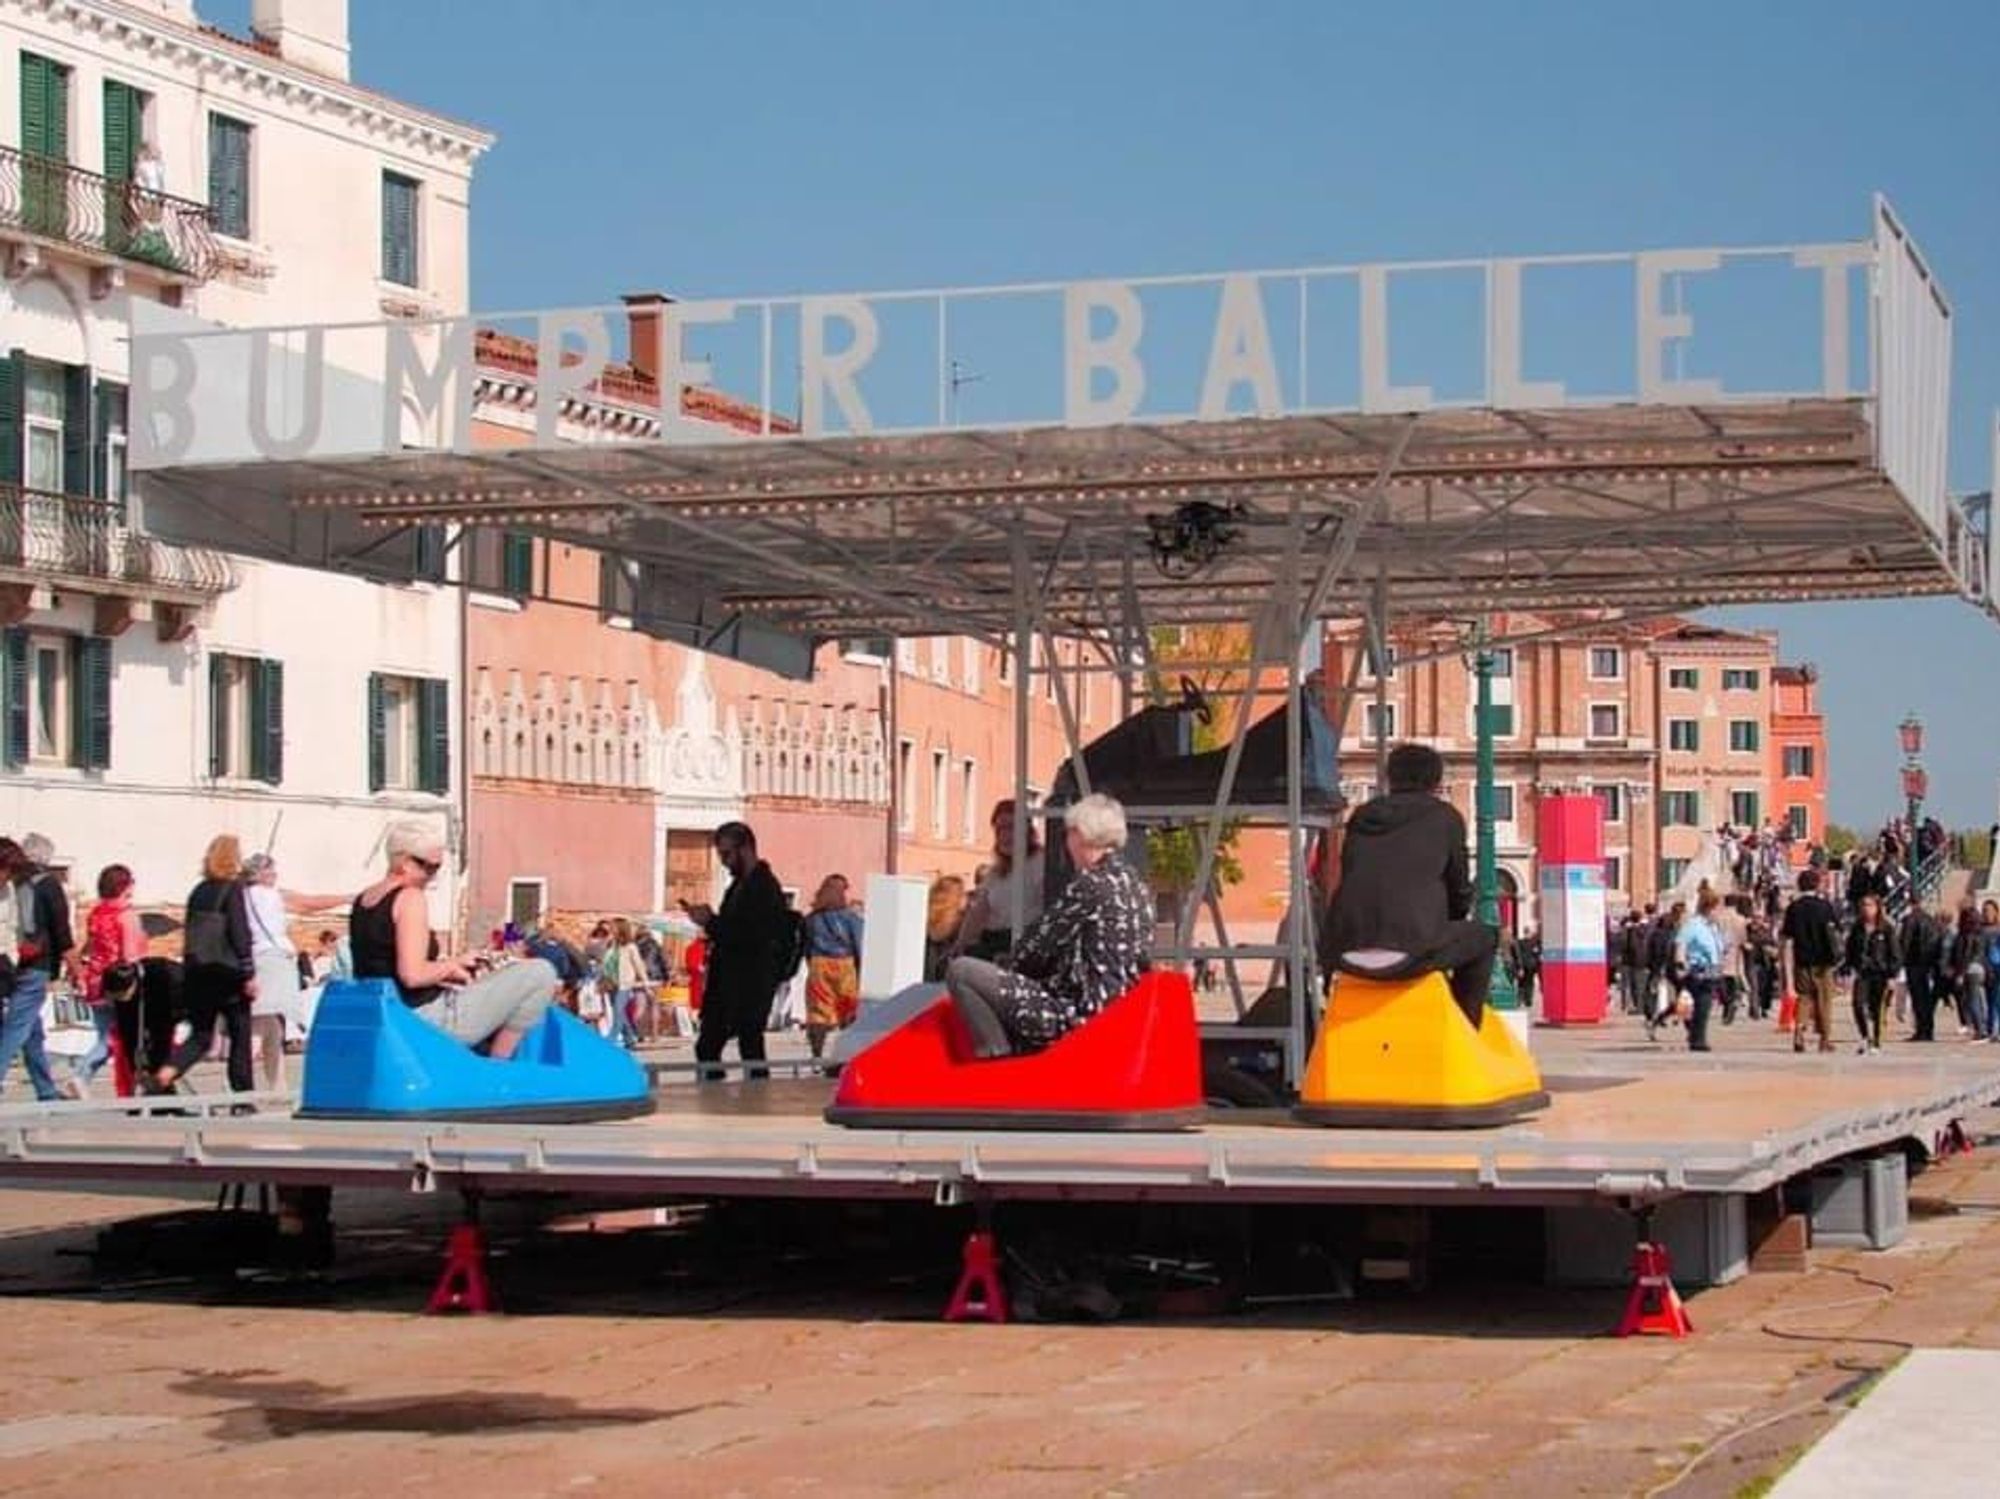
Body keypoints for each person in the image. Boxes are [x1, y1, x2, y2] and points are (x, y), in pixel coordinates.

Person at [944, 794, 1152, 1058]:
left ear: (1080, 835)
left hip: (1079, 1014)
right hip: (1117, 1009)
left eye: (1068, 834)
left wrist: (1005, 966)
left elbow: (1034, 949)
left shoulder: (1090, 885)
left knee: (962, 972)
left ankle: (996, 1063)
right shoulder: (1135, 884)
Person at [1317, 743, 1496, 1026]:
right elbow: (1459, 889)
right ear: (1436, 782)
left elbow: (1351, 872)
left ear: (1390, 777)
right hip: (1410, 950)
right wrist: (1447, 920)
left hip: (1345, 948)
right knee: (1486, 938)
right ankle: (1465, 1026)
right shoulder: (1445, 817)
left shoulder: (1361, 816)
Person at [349, 821, 556, 1056]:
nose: (433, 878)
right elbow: (412, 975)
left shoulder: (363, 900)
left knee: (478, 983)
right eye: (430, 868)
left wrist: (446, 974)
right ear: (405, 861)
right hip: (424, 1019)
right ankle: (498, 1067)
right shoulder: (410, 898)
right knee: (541, 973)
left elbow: (385, 970)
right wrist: (455, 963)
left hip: (387, 1012)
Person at [153, 835, 258, 1099]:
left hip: (198, 971)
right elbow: (239, 932)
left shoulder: (198, 891)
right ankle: (242, 1095)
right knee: (239, 1034)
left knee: (201, 1035)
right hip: (228, 972)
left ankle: (167, 1072)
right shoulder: (231, 889)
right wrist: (249, 972)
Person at [683, 822, 788, 1081]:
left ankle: (754, 1102)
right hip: (728, 978)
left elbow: (750, 935)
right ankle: (719, 1099)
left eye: (727, 854)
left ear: (746, 849)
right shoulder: (739, 886)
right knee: (710, 1045)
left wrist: (711, 922)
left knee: (749, 1044)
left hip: (750, 979)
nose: (724, 862)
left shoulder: (763, 887)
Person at [1, 835, 74, 1103]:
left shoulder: (13, 883)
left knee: (31, 1031)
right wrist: (74, 966)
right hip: (35, 964)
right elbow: (62, 933)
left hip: (12, 963)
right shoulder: (47, 884)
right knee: (17, 1027)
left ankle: (46, 1091)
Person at [74, 864, 147, 1097]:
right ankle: (81, 1074)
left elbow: (89, 947)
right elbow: (130, 955)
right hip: (120, 983)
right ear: (125, 886)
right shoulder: (127, 916)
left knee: (106, 1032)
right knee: (116, 1036)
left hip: (96, 980)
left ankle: (86, 1078)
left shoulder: (97, 913)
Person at [954, 800, 1044, 961]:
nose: (1004, 835)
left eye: (1010, 827)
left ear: (1026, 829)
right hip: (993, 941)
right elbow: (978, 911)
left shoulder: (1041, 862)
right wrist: (960, 943)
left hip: (1024, 943)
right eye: (999, 829)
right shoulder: (996, 872)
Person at [802, 875, 865, 1059]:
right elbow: (859, 945)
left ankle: (816, 1052)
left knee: (818, 1011)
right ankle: (847, 1052)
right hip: (845, 965)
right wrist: (860, 971)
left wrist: (812, 964)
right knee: (847, 1009)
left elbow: (806, 945)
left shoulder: (812, 919)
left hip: (818, 964)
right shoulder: (851, 918)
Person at [1780, 868, 1842, 1054]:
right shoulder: (1825, 906)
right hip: (1824, 961)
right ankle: (1825, 1039)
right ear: (1816, 884)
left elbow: (1787, 936)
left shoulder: (1794, 907)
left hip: (1802, 960)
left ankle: (1799, 1032)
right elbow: (1835, 930)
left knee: (1804, 998)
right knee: (1824, 1000)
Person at [1844, 892, 1901, 1054]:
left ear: (1877, 908)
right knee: (1858, 1004)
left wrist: (1892, 975)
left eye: (1869, 905)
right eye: (1863, 905)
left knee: (1877, 1009)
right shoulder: (1857, 927)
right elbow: (1851, 949)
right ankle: (1864, 1035)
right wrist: (1848, 968)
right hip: (1862, 973)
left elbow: (1895, 953)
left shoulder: (1886, 928)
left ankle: (1876, 1041)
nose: (1866, 909)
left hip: (1881, 973)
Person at [1674, 890, 1725, 1052]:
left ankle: (1696, 1035)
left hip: (1712, 971)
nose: (1719, 913)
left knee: (1704, 1005)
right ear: (1709, 908)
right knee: (1703, 1004)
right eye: (1717, 909)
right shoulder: (1693, 925)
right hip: (1697, 970)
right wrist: (1680, 963)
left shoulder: (1712, 927)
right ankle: (1698, 1039)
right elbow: (1681, 943)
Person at [1899, 903, 1946, 1042]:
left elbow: (1905, 942)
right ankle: (1927, 1030)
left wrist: (1900, 961)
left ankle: (1922, 1031)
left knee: (1918, 999)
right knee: (1925, 999)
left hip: (1914, 963)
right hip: (1927, 963)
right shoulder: (1930, 920)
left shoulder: (1910, 920)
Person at [602, 917, 648, 1050]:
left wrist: (645, 983)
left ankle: (610, 1039)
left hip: (624, 984)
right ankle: (630, 1039)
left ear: (621, 929)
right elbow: (606, 963)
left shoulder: (630, 947)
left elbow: (639, 965)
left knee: (618, 1010)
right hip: (610, 983)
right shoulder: (610, 944)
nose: (610, 929)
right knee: (620, 1012)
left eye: (613, 927)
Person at [925, 876, 968, 982]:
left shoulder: (926, 915)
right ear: (957, 896)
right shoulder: (961, 920)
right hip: (949, 976)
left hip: (927, 974)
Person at [1510, 928, 1542, 1011]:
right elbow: (1537, 954)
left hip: (1525, 966)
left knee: (1522, 983)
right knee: (1529, 983)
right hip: (1530, 966)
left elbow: (1516, 954)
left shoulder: (1520, 943)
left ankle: (1521, 1000)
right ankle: (1527, 1000)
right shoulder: (1533, 943)